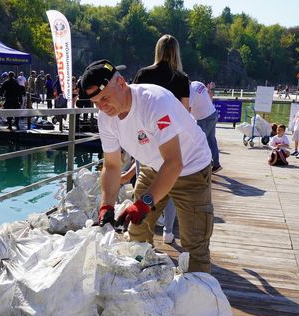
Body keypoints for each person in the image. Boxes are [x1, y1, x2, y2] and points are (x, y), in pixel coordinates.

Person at [79, 59, 214, 273]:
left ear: (121, 83)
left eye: (104, 98)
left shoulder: (154, 102)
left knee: (194, 245)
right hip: (153, 167)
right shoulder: (106, 117)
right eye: (96, 103)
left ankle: (201, 295)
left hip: (191, 169)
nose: (102, 107)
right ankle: (142, 279)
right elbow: (112, 166)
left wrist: (145, 203)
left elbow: (174, 163)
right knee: (137, 230)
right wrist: (107, 206)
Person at [133, 34, 191, 245]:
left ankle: (142, 235)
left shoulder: (142, 74)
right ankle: (168, 230)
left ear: (157, 51)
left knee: (144, 185)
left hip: (145, 139)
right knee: (169, 184)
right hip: (170, 139)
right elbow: (185, 113)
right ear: (176, 52)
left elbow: (134, 106)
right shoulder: (182, 78)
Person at [190, 80, 222, 173]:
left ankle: (202, 168)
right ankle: (216, 164)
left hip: (204, 118)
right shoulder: (198, 83)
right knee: (211, 140)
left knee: (200, 143)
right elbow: (210, 94)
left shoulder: (190, 92)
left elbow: (187, 109)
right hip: (213, 113)